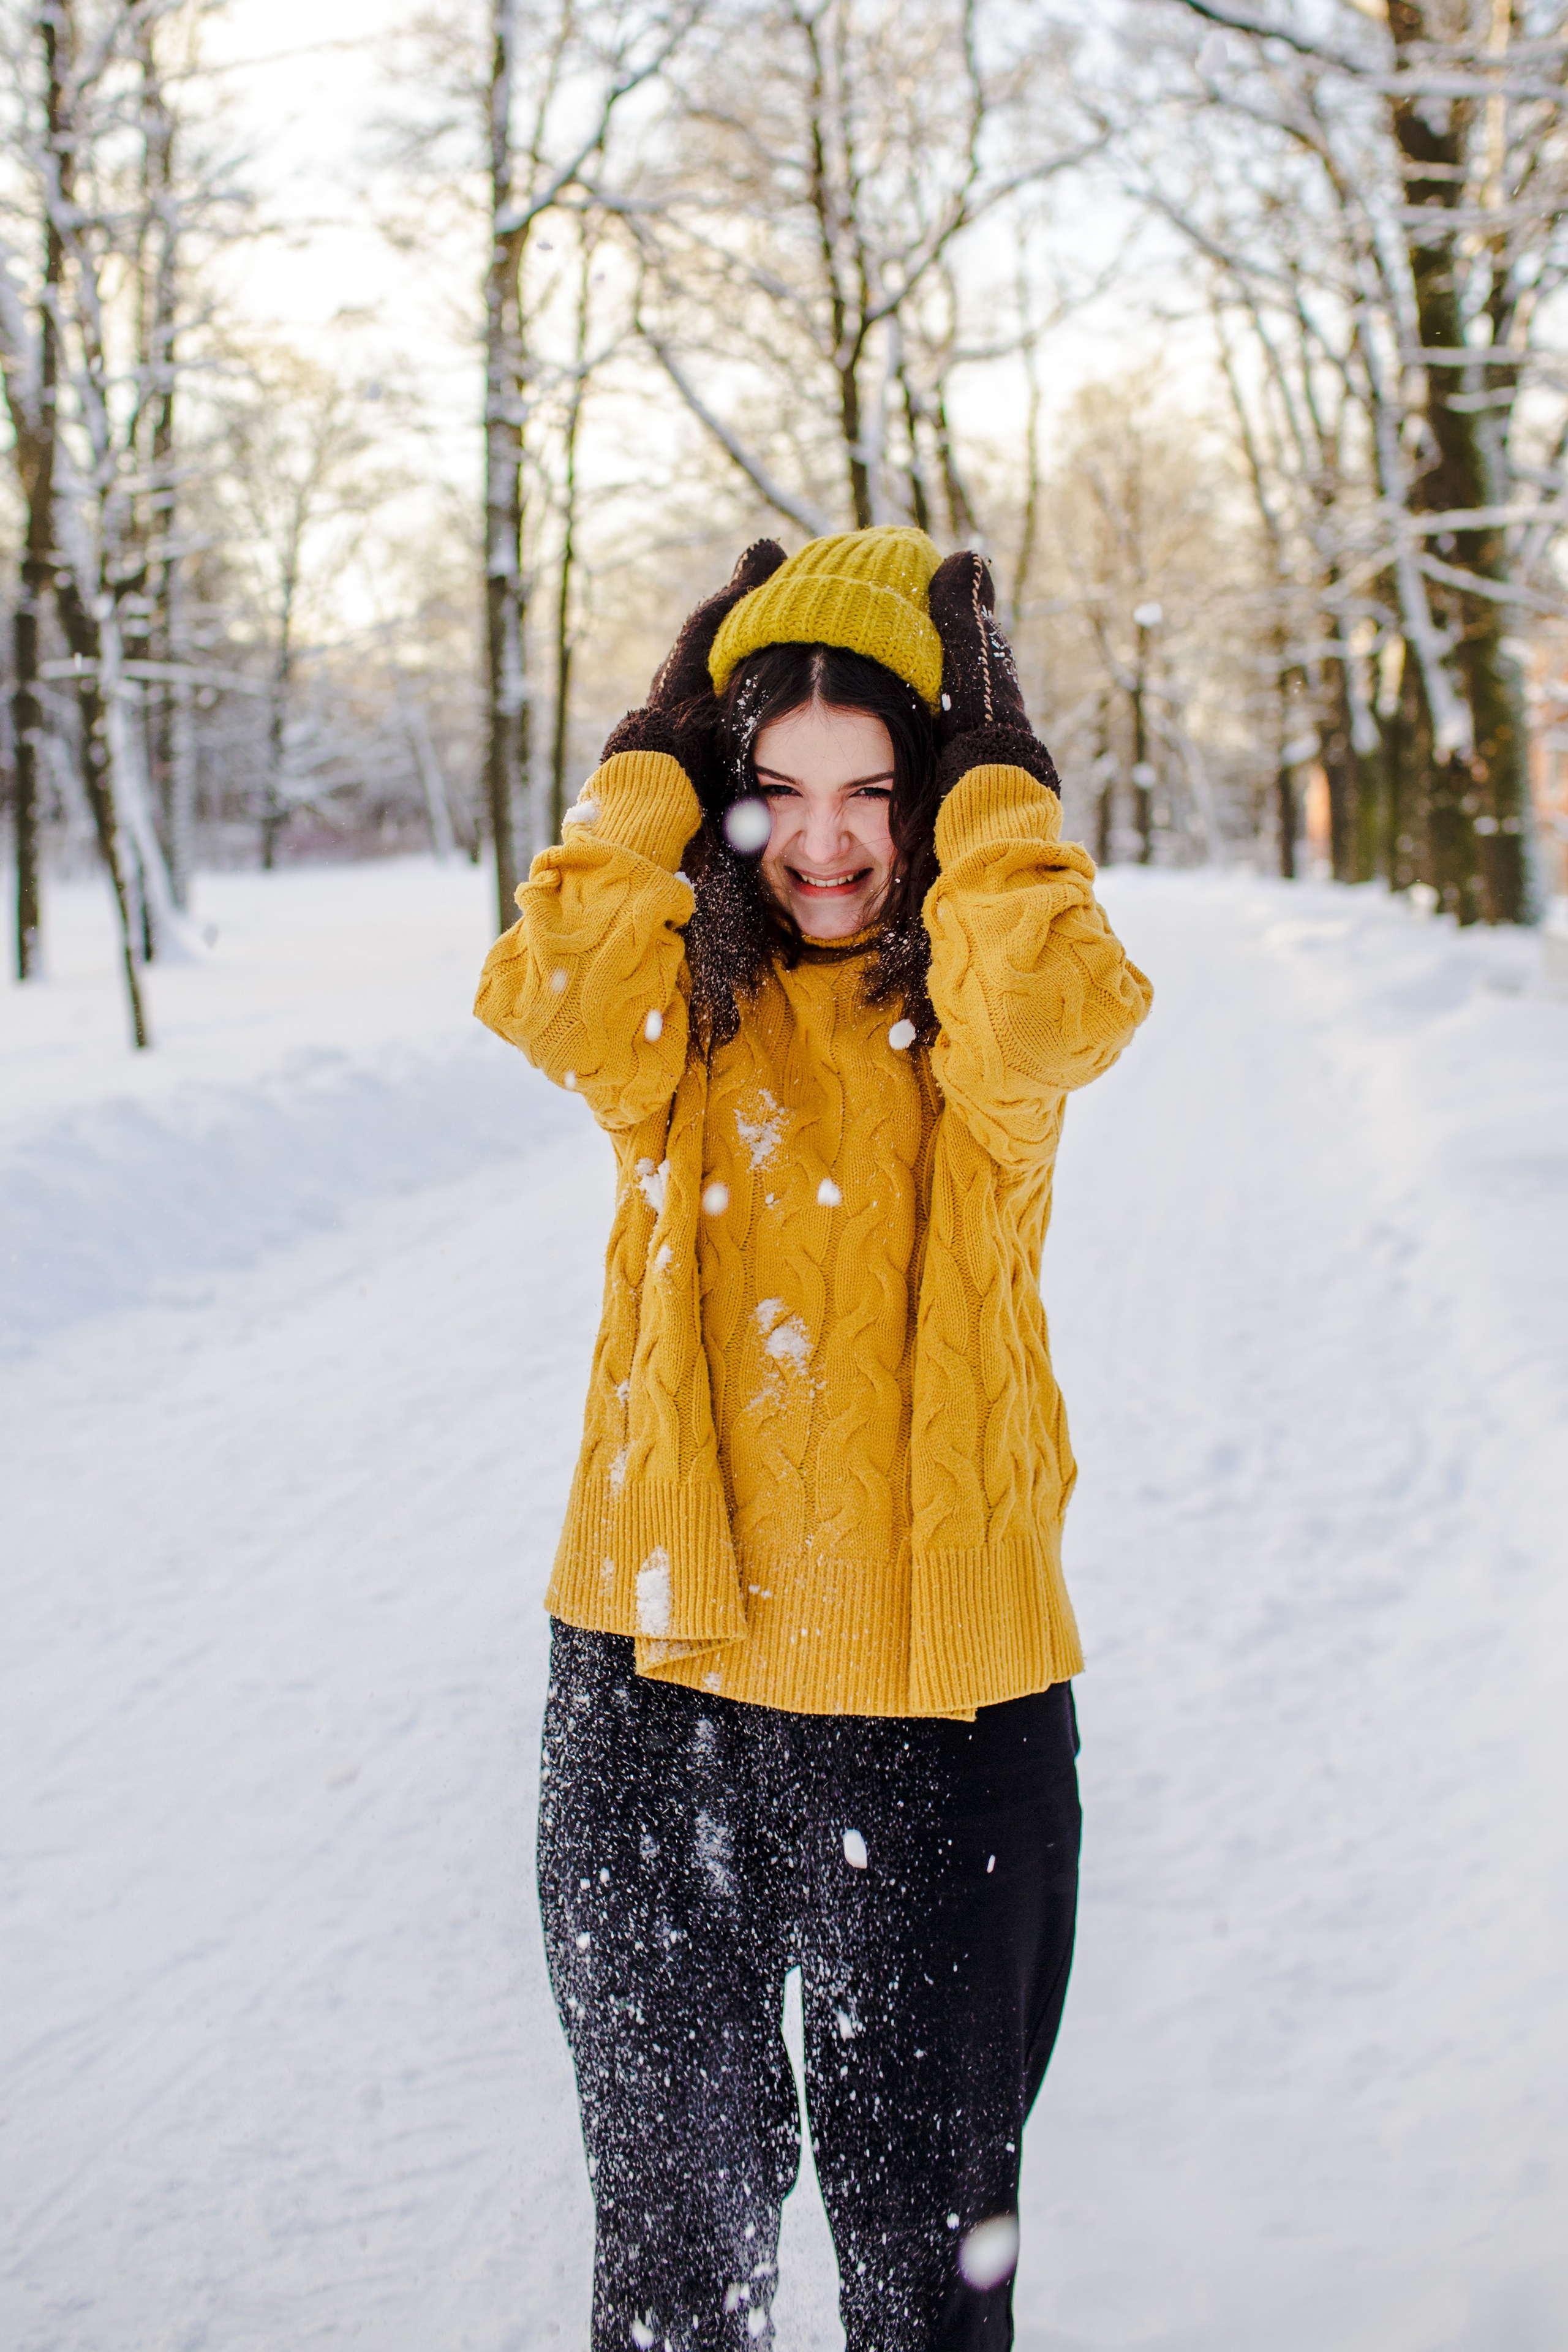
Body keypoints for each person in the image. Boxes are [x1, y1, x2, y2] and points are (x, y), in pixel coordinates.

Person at [473, 527, 1153, 2352]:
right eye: (774, 791)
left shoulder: (982, 1024)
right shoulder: (673, 1014)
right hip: (648, 1684)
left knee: (928, 2283)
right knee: (673, 2265)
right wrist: (651, 745)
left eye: (877, 793)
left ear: (935, 800)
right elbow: (543, 982)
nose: (829, 842)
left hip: (935, 1713)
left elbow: (1071, 998)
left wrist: (1002, 781)